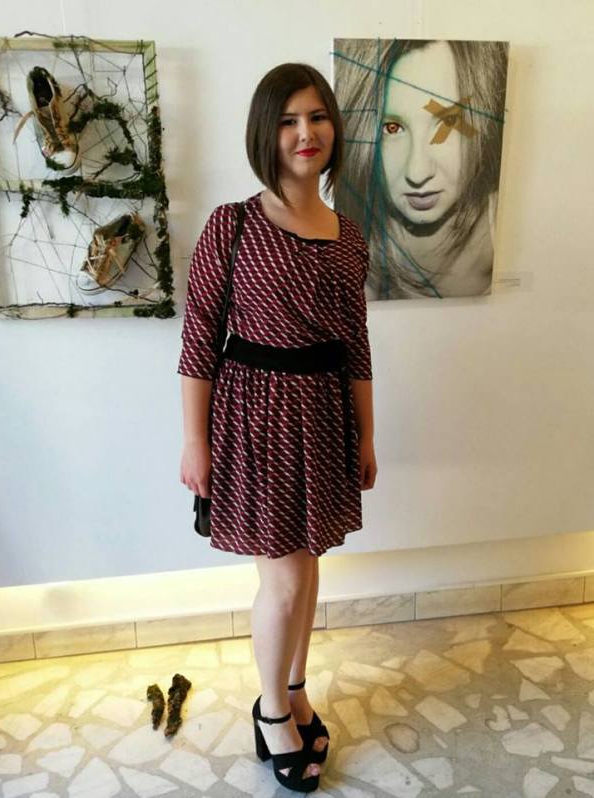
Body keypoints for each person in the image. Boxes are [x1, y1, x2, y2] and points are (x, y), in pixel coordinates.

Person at [178, 62, 377, 792]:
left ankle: (293, 689)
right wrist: (194, 440)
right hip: (255, 418)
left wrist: (366, 434)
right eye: (289, 120)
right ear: (267, 132)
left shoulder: (348, 235)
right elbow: (199, 338)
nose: (305, 133)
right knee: (285, 579)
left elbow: (356, 343)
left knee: (309, 565)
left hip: (323, 415)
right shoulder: (232, 224)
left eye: (317, 117)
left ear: (334, 128)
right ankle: (269, 714)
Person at [334, 38, 508, 299]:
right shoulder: (354, 254)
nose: (417, 172)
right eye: (392, 128)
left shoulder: (511, 233)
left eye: (448, 122)